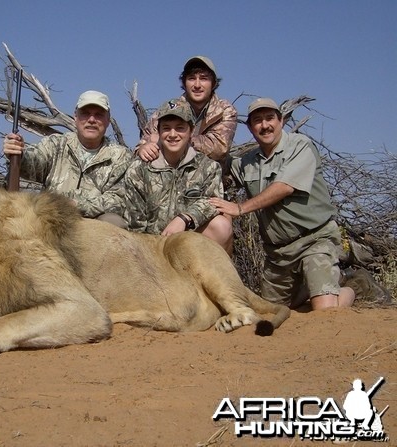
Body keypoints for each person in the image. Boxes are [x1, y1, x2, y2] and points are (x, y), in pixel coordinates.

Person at [209, 98, 355, 310]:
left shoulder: (300, 145)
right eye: (257, 121)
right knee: (269, 312)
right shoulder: (246, 161)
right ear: (250, 128)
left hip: (314, 241)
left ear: (281, 121)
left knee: (325, 312)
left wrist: (240, 208)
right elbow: (215, 164)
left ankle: (352, 287)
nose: (264, 125)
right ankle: (313, 284)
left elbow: (285, 186)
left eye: (270, 118)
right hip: (278, 254)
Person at [3, 90, 131, 227]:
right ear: (75, 117)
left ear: (108, 121)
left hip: (94, 227)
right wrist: (18, 154)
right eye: (85, 113)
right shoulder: (56, 144)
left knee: (114, 222)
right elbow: (34, 164)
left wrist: (75, 205)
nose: (92, 120)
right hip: (51, 220)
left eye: (99, 115)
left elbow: (117, 200)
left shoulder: (120, 156)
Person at [125, 98, 233, 253]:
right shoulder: (139, 169)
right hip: (151, 248)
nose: (173, 134)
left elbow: (212, 203)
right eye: (166, 128)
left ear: (191, 131)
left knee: (221, 226)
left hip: (189, 244)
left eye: (180, 128)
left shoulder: (208, 167)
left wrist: (184, 219)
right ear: (159, 132)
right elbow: (135, 224)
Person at [135, 55, 237, 165]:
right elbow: (144, 142)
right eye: (191, 78)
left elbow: (219, 149)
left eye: (203, 78)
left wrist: (170, 140)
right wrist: (142, 149)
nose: (197, 85)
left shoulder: (225, 110)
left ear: (214, 84)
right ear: (184, 83)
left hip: (212, 176)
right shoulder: (168, 110)